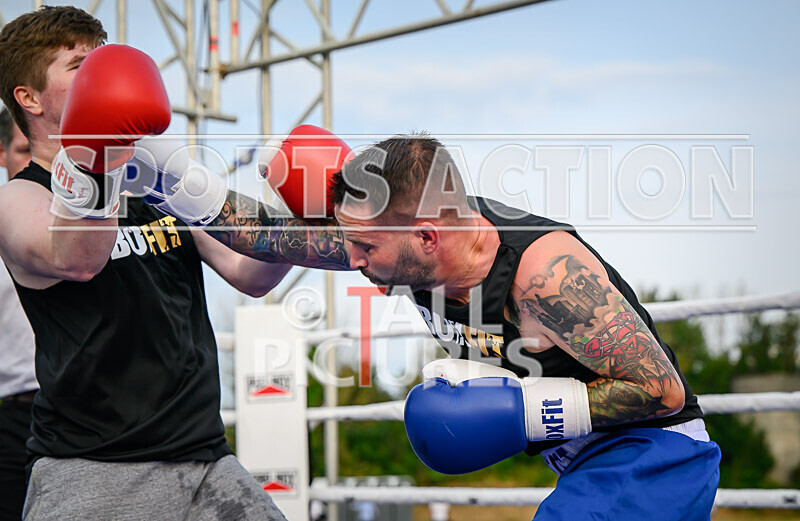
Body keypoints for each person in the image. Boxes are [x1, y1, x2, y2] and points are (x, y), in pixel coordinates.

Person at [192, 129, 722, 521]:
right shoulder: (391, 246)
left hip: (657, 456)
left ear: (427, 238)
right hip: (582, 464)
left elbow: (662, 392)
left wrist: (526, 413)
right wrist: (165, 176)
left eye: (364, 248)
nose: (352, 262)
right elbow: (262, 236)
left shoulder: (544, 276)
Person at [0, 6, 333, 519]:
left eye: (102, 63)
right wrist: (102, 153)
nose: (98, 76)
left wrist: (299, 204)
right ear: (29, 98)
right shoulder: (19, 199)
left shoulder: (155, 183)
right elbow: (78, 257)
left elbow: (249, 272)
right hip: (94, 467)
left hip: (204, 457)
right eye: (78, 66)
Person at [0, 106, 36, 521]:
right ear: (4, 153)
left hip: (87, 411)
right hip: (14, 414)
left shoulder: (85, 224)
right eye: (23, 148)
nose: (32, 159)